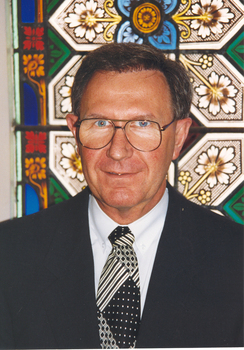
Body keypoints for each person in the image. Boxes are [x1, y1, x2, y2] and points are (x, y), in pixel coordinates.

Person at [0, 43, 243, 349]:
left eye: (143, 124)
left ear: (179, 137)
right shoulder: (8, 255)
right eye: (100, 123)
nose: (118, 150)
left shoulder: (237, 261)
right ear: (75, 131)